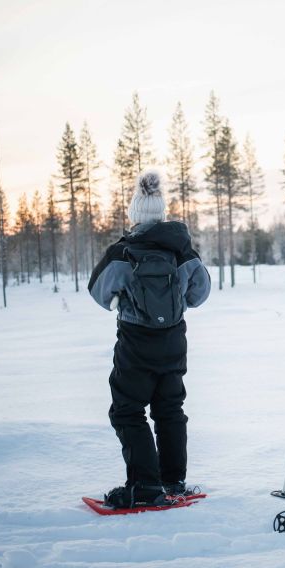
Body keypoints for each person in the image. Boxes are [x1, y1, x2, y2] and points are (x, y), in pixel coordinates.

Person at [88, 167, 211, 508]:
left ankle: (144, 485)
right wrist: (177, 301)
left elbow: (98, 293)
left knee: (128, 411)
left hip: (135, 343)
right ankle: (173, 480)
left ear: (134, 214)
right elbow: (200, 293)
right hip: (174, 342)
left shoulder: (123, 251)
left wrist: (121, 299)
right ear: (161, 213)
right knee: (170, 409)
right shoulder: (181, 249)